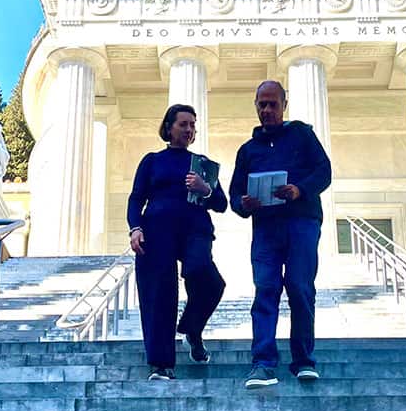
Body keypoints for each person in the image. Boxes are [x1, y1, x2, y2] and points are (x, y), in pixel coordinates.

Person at [230, 80, 332, 389]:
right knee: (265, 290)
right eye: (262, 104)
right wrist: (243, 204)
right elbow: (236, 194)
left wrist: (299, 189)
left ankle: (303, 361)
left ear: (284, 105)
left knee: (300, 289)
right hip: (266, 229)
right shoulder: (248, 150)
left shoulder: (302, 135)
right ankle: (263, 364)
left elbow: (324, 172)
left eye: (273, 104)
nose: (267, 110)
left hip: (301, 222)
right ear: (256, 106)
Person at [127, 104, 227, 381]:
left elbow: (221, 203)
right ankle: (161, 365)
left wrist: (205, 189)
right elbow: (136, 198)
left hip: (195, 230)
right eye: (183, 124)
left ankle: (192, 330)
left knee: (208, 279)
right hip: (156, 231)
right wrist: (135, 228)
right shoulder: (152, 161)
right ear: (169, 127)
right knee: (159, 293)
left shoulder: (202, 164)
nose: (189, 129)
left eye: (193, 125)